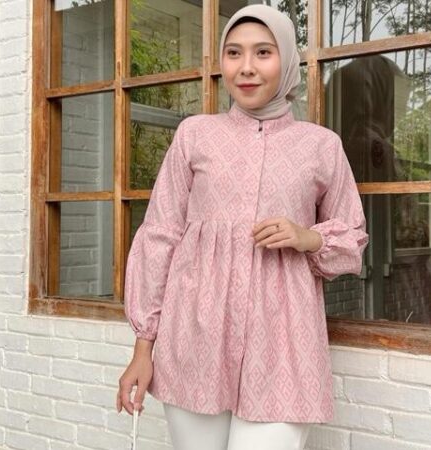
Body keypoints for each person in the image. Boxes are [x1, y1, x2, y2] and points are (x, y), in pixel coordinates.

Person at [117, 5, 368, 449]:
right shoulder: (194, 135)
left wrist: (307, 237)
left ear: (286, 60)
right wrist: (143, 347)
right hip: (195, 340)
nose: (246, 67)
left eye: (263, 53)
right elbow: (159, 235)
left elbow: (352, 238)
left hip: (283, 345)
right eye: (233, 53)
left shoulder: (321, 146)